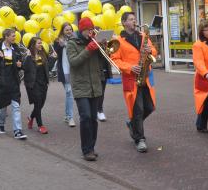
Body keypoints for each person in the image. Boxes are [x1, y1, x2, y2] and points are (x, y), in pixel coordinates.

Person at [111, 12, 157, 153]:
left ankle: (132, 124)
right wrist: (130, 67)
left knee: (150, 107)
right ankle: (140, 139)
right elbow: (115, 60)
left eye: (134, 18)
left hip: (146, 77)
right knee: (138, 110)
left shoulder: (143, 36)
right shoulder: (118, 40)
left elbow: (154, 52)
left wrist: (151, 51)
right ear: (124, 23)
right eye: (131, 19)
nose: (134, 21)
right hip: (131, 79)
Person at [67, 17, 102, 161]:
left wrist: (102, 47)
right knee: (86, 117)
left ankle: (91, 147)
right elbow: (74, 62)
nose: (90, 32)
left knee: (93, 119)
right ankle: (86, 150)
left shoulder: (94, 41)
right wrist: (88, 50)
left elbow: (104, 60)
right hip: (80, 86)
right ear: (82, 30)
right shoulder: (72, 43)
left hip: (94, 85)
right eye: (88, 30)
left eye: (92, 30)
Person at [0, 28, 27, 140]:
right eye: (12, 36)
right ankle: (1, 124)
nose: (14, 37)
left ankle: (18, 131)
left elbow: (20, 62)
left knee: (16, 106)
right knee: (2, 106)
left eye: (14, 36)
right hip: (2, 83)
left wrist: (20, 64)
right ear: (6, 36)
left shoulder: (15, 48)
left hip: (14, 82)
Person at [24, 37, 50, 134]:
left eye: (41, 43)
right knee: (38, 103)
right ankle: (40, 125)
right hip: (33, 84)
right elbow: (24, 68)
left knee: (41, 104)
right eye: (39, 43)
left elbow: (48, 67)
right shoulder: (29, 56)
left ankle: (31, 117)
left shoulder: (43, 54)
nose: (41, 45)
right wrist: (26, 58)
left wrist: (52, 58)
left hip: (43, 83)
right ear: (33, 45)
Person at [53, 22, 76, 127]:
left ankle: (67, 116)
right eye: (67, 30)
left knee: (69, 94)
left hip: (74, 70)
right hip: (64, 70)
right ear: (62, 31)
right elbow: (56, 54)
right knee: (70, 93)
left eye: (70, 29)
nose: (69, 31)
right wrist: (60, 45)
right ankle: (71, 117)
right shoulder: (58, 41)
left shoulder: (75, 39)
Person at [97, 51, 112, 122]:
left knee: (102, 92)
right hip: (95, 69)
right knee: (96, 92)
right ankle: (97, 110)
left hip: (104, 69)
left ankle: (100, 110)